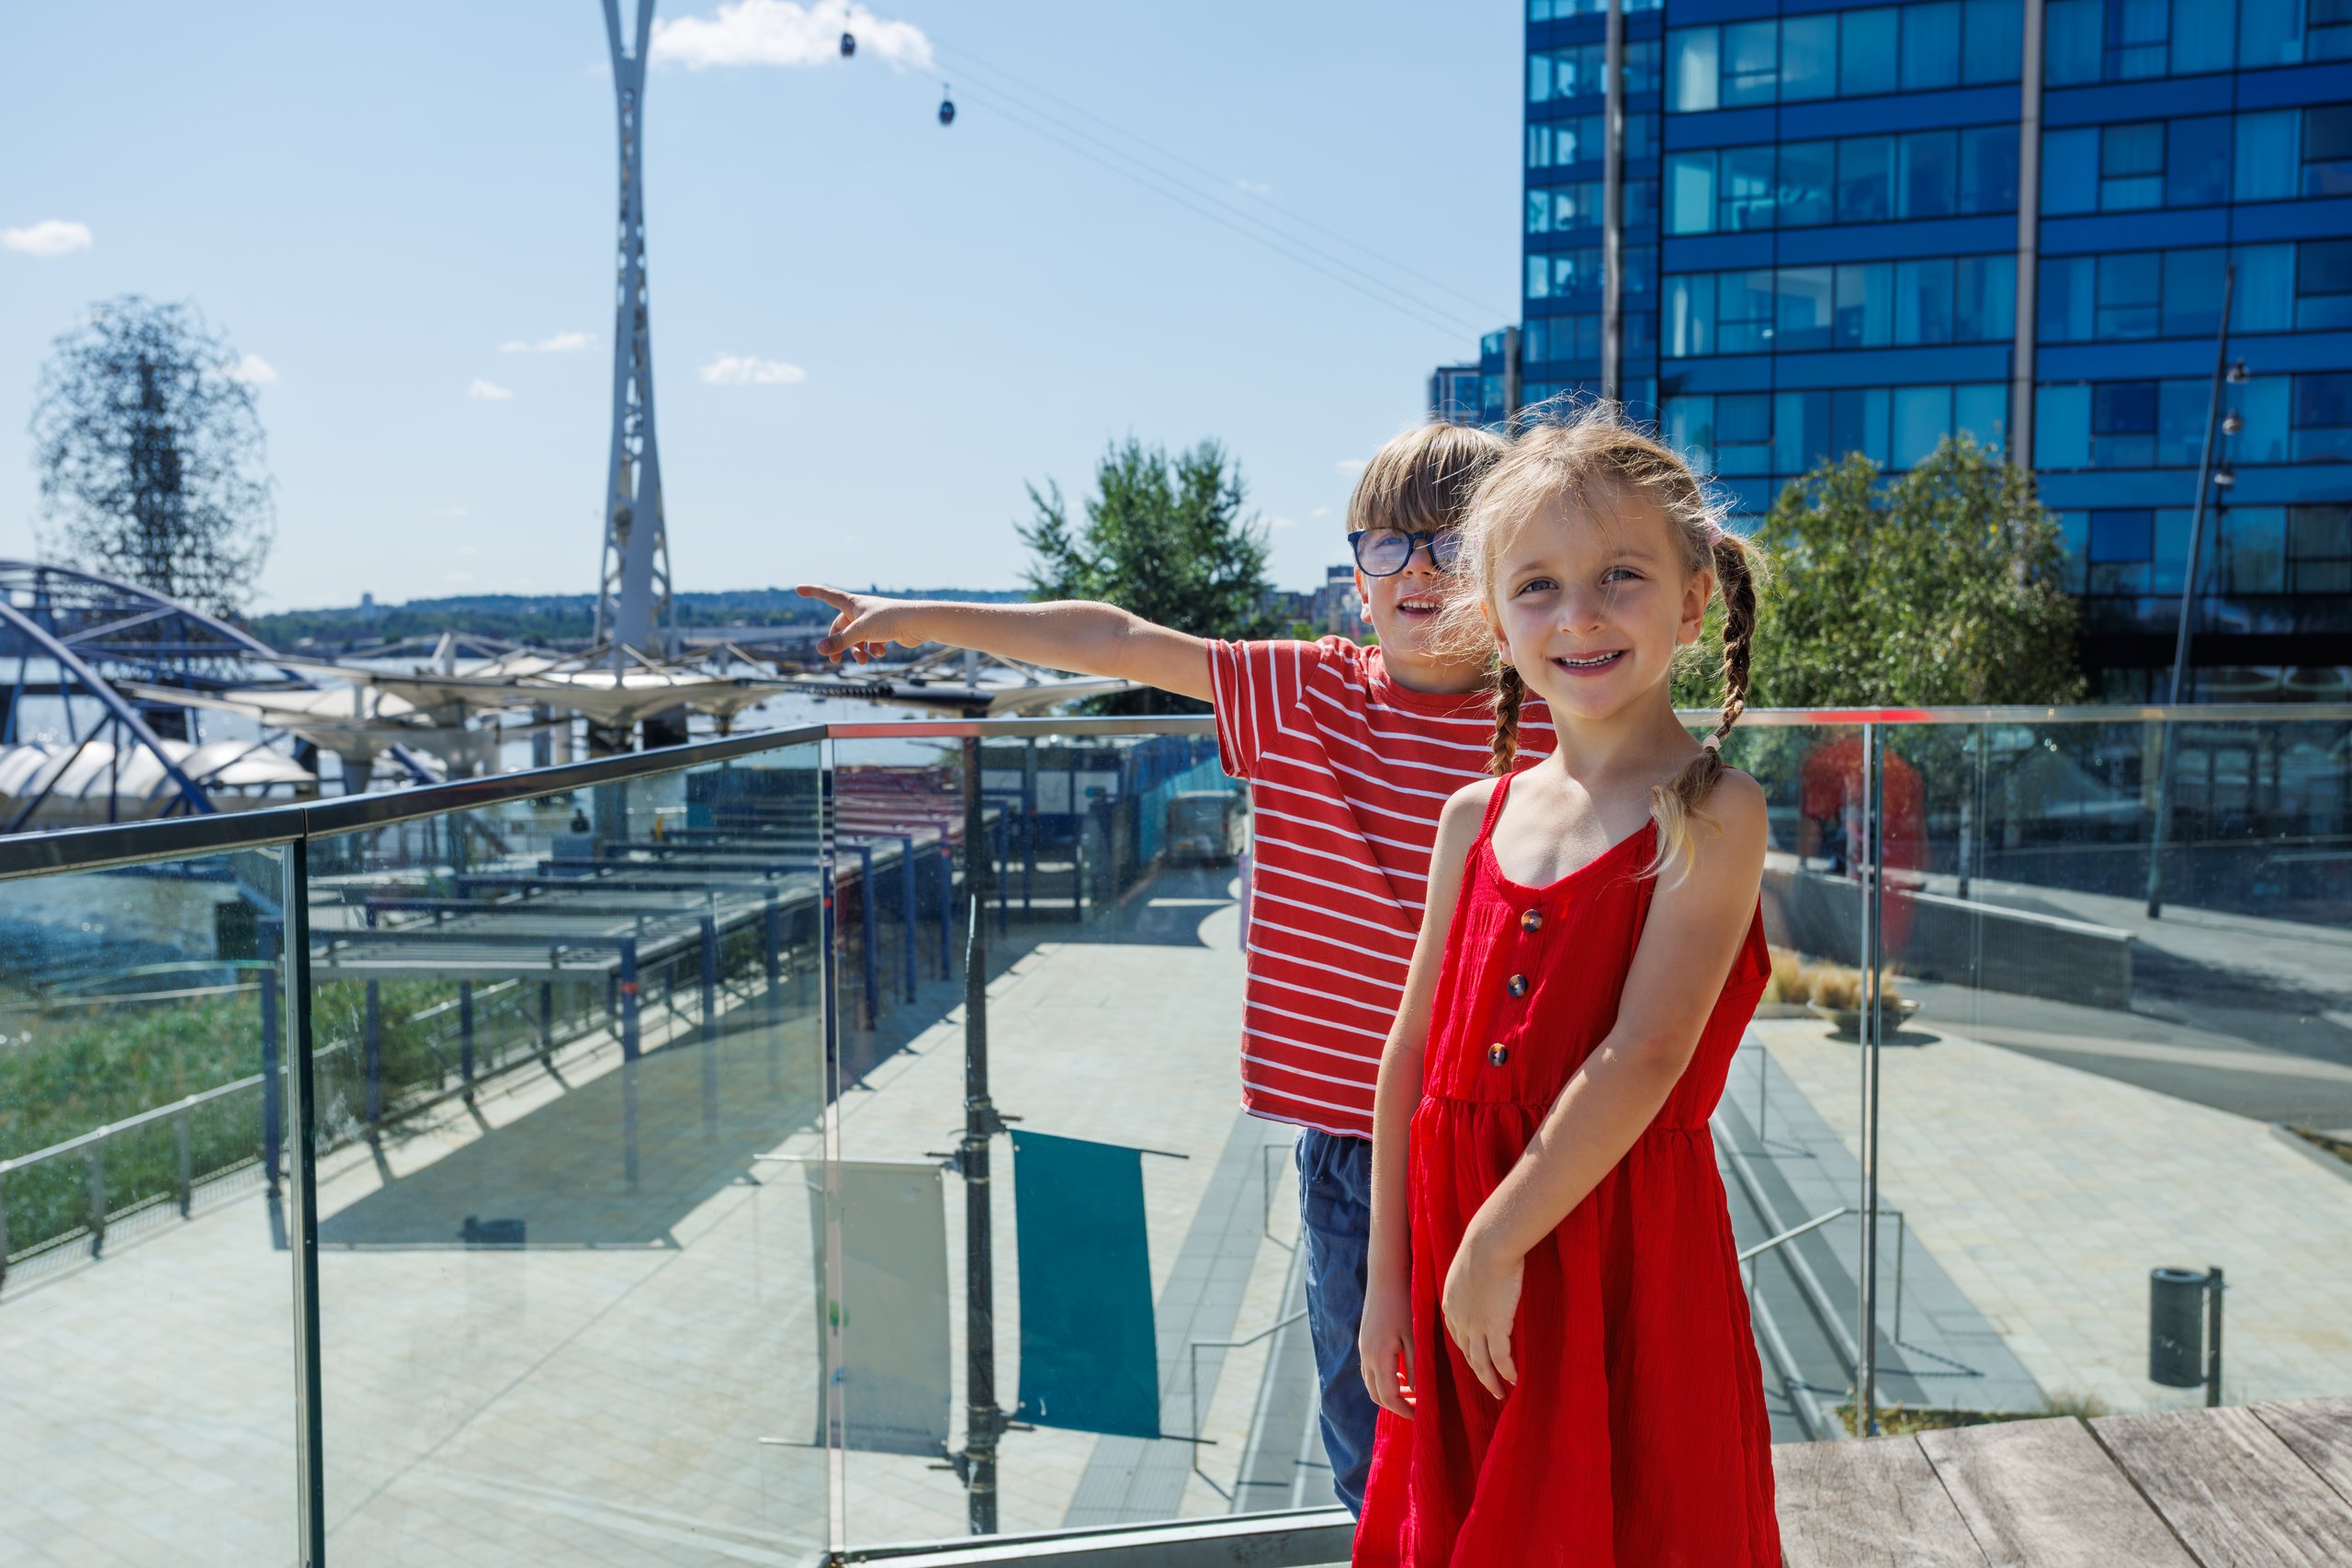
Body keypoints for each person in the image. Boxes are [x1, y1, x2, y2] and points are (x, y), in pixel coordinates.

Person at [797, 422, 1553, 1514]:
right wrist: (915, 614)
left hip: (1510, 1136)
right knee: (1371, 1434)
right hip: (1353, 1141)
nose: (1419, 570)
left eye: (1453, 543)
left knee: (1514, 1428)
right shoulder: (1302, 692)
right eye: (1390, 544)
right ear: (1357, 576)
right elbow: (1113, 637)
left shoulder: (1549, 723)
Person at [1352, 403, 1779, 1566]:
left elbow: (1646, 1053)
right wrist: (1389, 1276)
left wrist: (1492, 1249)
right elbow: (1409, 1054)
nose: (1578, 615)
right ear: (1494, 621)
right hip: (1454, 1244)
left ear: (1692, 601)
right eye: (1537, 586)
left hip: (1614, 1248)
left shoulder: (1712, 810)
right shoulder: (1471, 815)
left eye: (1619, 575)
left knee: (1629, 1519)